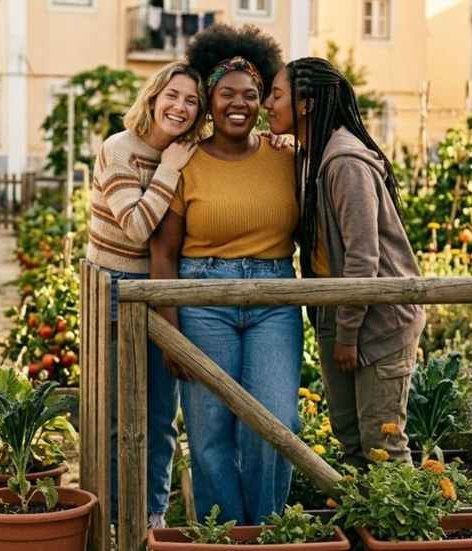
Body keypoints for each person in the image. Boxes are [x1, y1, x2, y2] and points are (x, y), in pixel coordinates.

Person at [150, 23, 302, 525]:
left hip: (274, 299)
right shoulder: (185, 161)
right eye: (226, 94)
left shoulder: (286, 158)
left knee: (276, 423)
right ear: (209, 99)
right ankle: (224, 534)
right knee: (210, 429)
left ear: (262, 102)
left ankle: (265, 531)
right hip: (201, 298)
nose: (239, 103)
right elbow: (165, 254)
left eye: (251, 95)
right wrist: (170, 331)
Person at [262, 57, 426, 468]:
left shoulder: (345, 162)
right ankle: (364, 534)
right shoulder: (309, 158)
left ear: (307, 104)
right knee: (350, 442)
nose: (267, 103)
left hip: (378, 317)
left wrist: (348, 335)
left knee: (382, 446)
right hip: (339, 310)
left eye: (276, 95)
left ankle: (406, 534)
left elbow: (363, 257)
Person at [84, 59, 207, 529]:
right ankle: (117, 520)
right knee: (120, 416)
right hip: (115, 291)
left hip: (159, 290)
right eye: (172, 95)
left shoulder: (187, 153)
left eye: (191, 101)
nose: (180, 106)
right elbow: (136, 230)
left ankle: (152, 515)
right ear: (153, 98)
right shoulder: (119, 150)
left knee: (160, 416)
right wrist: (169, 171)